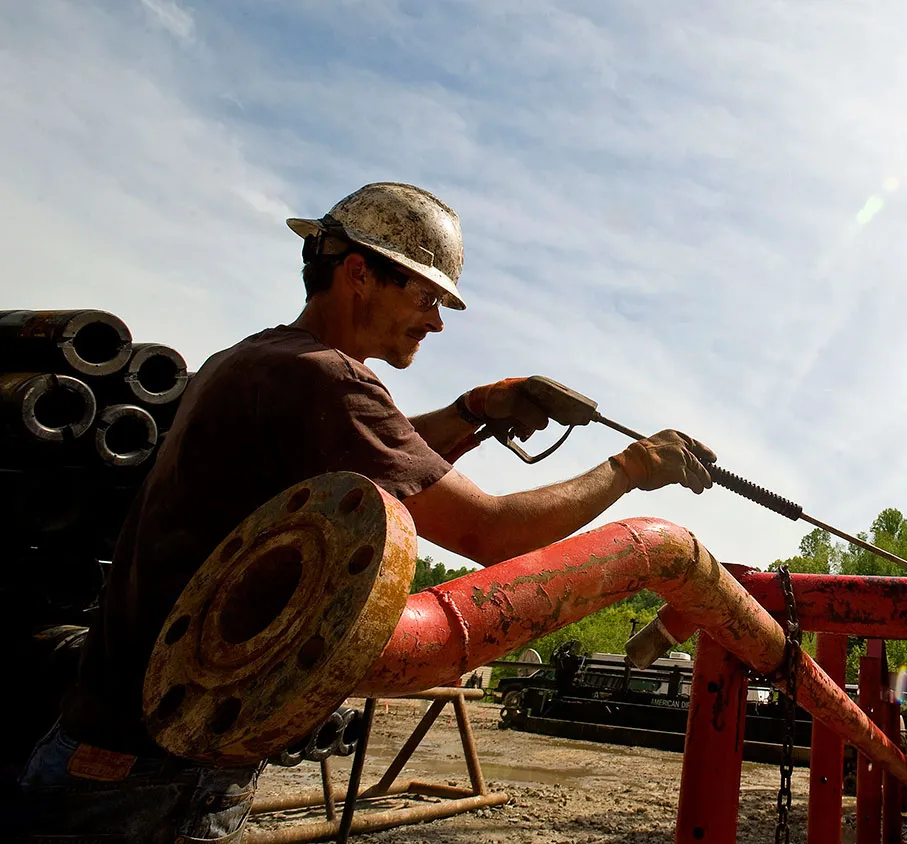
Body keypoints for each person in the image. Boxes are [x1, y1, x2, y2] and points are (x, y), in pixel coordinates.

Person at [18, 182, 715, 841]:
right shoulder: (323, 377)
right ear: (359, 274)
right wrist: (629, 469)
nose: (437, 322)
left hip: (116, 742)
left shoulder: (258, 359)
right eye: (427, 297)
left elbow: (368, 460)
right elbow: (493, 531)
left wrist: (474, 412)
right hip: (159, 770)